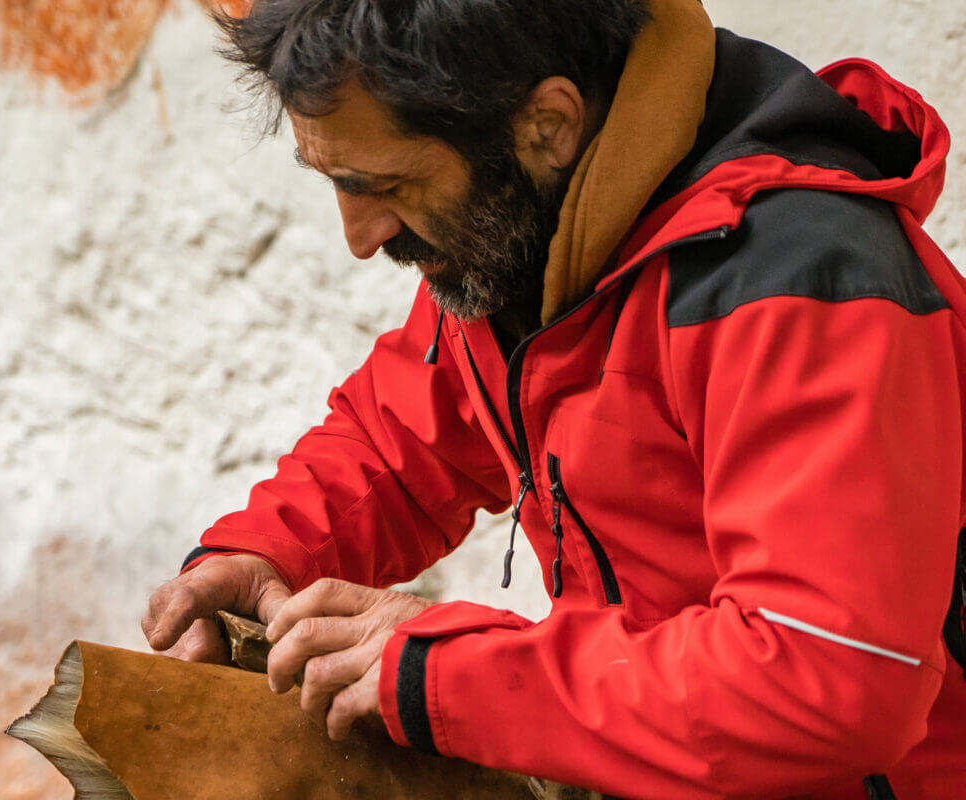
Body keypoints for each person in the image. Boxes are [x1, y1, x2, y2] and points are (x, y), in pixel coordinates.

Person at [141, 1, 966, 797]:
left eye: (386, 184)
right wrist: (264, 556)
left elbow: (830, 680)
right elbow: (398, 443)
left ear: (548, 124)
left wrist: (450, 676)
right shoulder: (529, 230)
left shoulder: (805, 279)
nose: (360, 238)